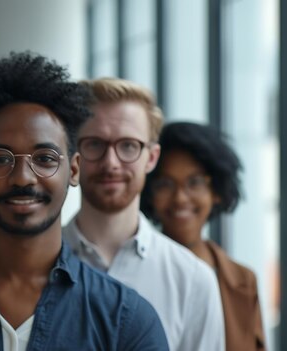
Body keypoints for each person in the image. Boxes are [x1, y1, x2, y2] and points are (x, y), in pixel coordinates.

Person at [0, 52, 169, 351]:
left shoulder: (126, 319)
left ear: (73, 169)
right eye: (1, 159)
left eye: (44, 159)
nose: (23, 178)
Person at [62, 77, 225, 351]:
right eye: (94, 144)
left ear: (151, 157)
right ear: (73, 154)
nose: (111, 162)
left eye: (128, 146)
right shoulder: (35, 266)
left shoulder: (193, 279)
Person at [140, 121, 266, 351]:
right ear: (149, 192)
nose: (180, 198)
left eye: (195, 182)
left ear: (216, 191)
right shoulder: (128, 271)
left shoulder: (243, 281)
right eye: (165, 184)